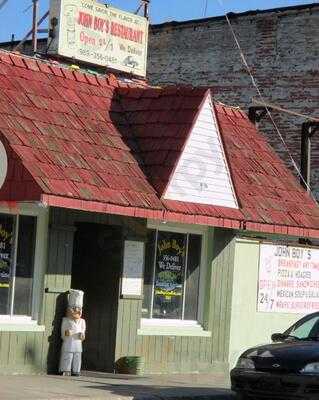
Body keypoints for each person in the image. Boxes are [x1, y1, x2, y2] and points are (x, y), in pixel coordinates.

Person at [59, 290, 86, 376]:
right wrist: (66, 333)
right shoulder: (66, 320)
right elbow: (63, 332)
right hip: (69, 342)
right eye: (74, 308)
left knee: (77, 357)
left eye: (79, 309)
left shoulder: (82, 321)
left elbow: (83, 331)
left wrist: (82, 335)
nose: (77, 311)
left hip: (78, 343)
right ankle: (65, 369)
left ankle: (76, 370)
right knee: (68, 356)